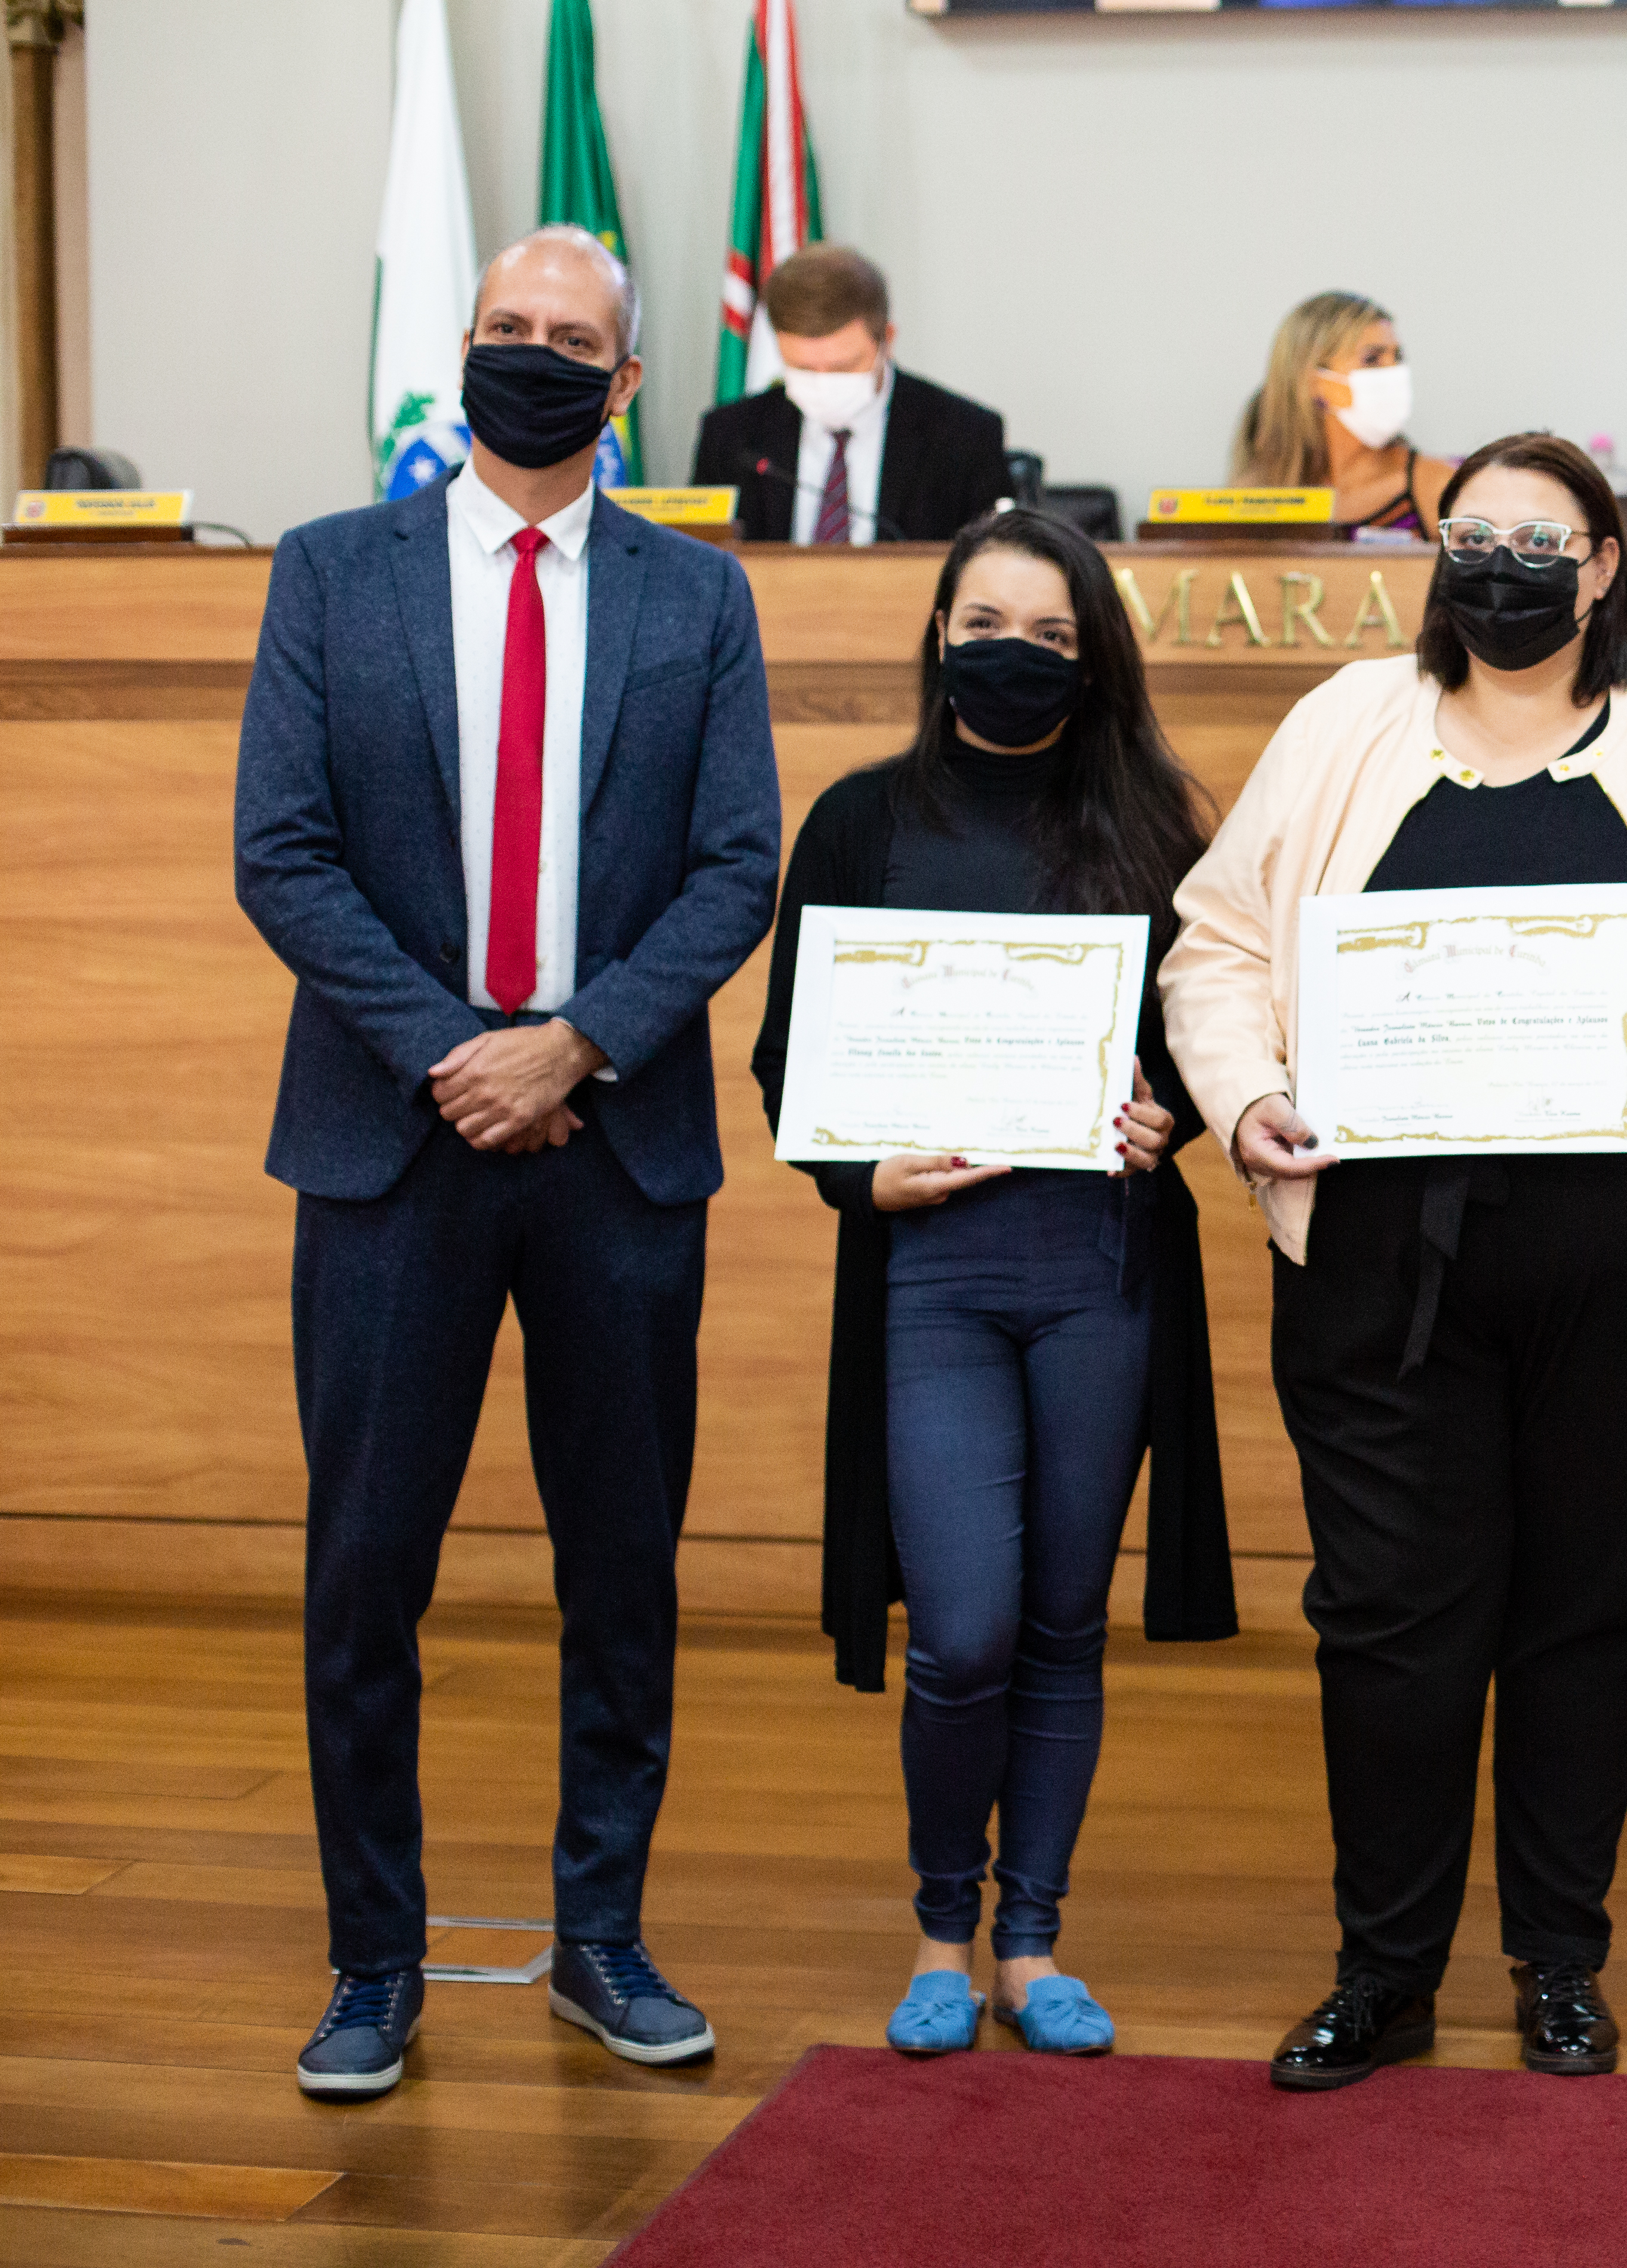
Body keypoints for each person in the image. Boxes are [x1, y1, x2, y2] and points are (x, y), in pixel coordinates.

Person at [1160, 432, 1627, 2091]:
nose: (1507, 565)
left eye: (1545, 541)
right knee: (1392, 1620)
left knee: (1590, 1618)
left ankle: (1558, 1962)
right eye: (1476, 536)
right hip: (1382, 1271)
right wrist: (1245, 1103)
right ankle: (1384, 1972)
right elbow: (1219, 947)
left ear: (1605, 565)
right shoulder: (1343, 724)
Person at [233, 226, 781, 2101]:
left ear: (627, 386)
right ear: (458, 354)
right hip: (393, 1146)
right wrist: (459, 1053)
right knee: (365, 1567)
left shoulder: (698, 601)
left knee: (619, 1565)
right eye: (507, 331)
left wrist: (576, 1039)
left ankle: (600, 1938)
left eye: (572, 341)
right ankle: (374, 1957)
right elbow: (282, 852)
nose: (534, 357)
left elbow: (736, 866)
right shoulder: (328, 573)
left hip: (618, 1144)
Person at [749, 509, 1236, 2060]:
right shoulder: (860, 821)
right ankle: (938, 1930)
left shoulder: (1163, 824)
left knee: (1061, 1618)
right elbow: (787, 1060)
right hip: (932, 1277)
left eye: (1045, 633)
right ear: (935, 633)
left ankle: (1032, 1943)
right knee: (958, 1626)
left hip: (1099, 1268)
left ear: (1091, 658)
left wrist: (1184, 1111)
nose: (1010, 653)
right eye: (984, 623)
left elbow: (1217, 1039)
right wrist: (856, 1175)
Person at [690, 242, 1013, 545]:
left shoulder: (965, 435)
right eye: (802, 368)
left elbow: (992, 571)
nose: (822, 383)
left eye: (843, 367)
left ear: (887, 339)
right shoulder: (731, 437)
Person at [1229, 290, 1457, 539]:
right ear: (1313, 379)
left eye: (1398, 358)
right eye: (1372, 359)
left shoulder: (1435, 484)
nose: (1395, 373)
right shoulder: (1257, 495)